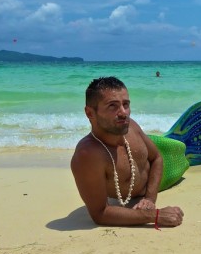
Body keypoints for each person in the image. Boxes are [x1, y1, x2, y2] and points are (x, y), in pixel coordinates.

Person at [70, 76, 184, 227]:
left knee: (182, 147)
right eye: (113, 106)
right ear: (90, 113)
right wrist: (155, 215)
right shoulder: (88, 154)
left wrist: (150, 199)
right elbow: (100, 214)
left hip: (157, 174)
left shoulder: (132, 128)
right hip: (148, 182)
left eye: (126, 104)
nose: (124, 113)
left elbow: (157, 157)